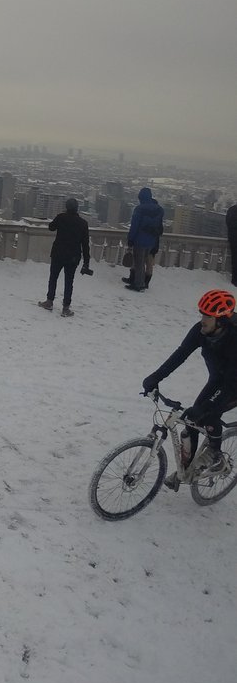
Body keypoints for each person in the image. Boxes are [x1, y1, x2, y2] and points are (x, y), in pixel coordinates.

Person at [142, 290, 237, 488]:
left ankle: (215, 455)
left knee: (209, 414)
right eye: (201, 314)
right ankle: (187, 470)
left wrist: (208, 407)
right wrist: (155, 377)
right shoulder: (199, 331)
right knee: (192, 419)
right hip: (218, 379)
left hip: (233, 383)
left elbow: (230, 383)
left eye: (207, 316)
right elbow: (180, 355)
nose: (202, 319)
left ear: (221, 321)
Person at [38, 198, 91, 317]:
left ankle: (49, 301)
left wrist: (60, 216)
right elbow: (85, 245)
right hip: (73, 257)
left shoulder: (61, 217)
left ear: (67, 207)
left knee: (53, 278)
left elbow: (51, 227)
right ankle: (66, 308)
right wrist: (86, 262)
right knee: (69, 282)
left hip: (58, 254)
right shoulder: (83, 223)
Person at [124, 187, 164, 292]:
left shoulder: (139, 209)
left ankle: (138, 284)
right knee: (143, 262)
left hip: (140, 239)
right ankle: (140, 282)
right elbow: (159, 226)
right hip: (151, 240)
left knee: (139, 262)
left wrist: (130, 239)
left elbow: (134, 226)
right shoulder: (159, 209)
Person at [227, 202, 237, 287]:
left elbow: (228, 223)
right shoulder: (233, 210)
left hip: (232, 238)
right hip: (234, 238)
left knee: (235, 260)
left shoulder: (231, 209)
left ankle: (235, 280)